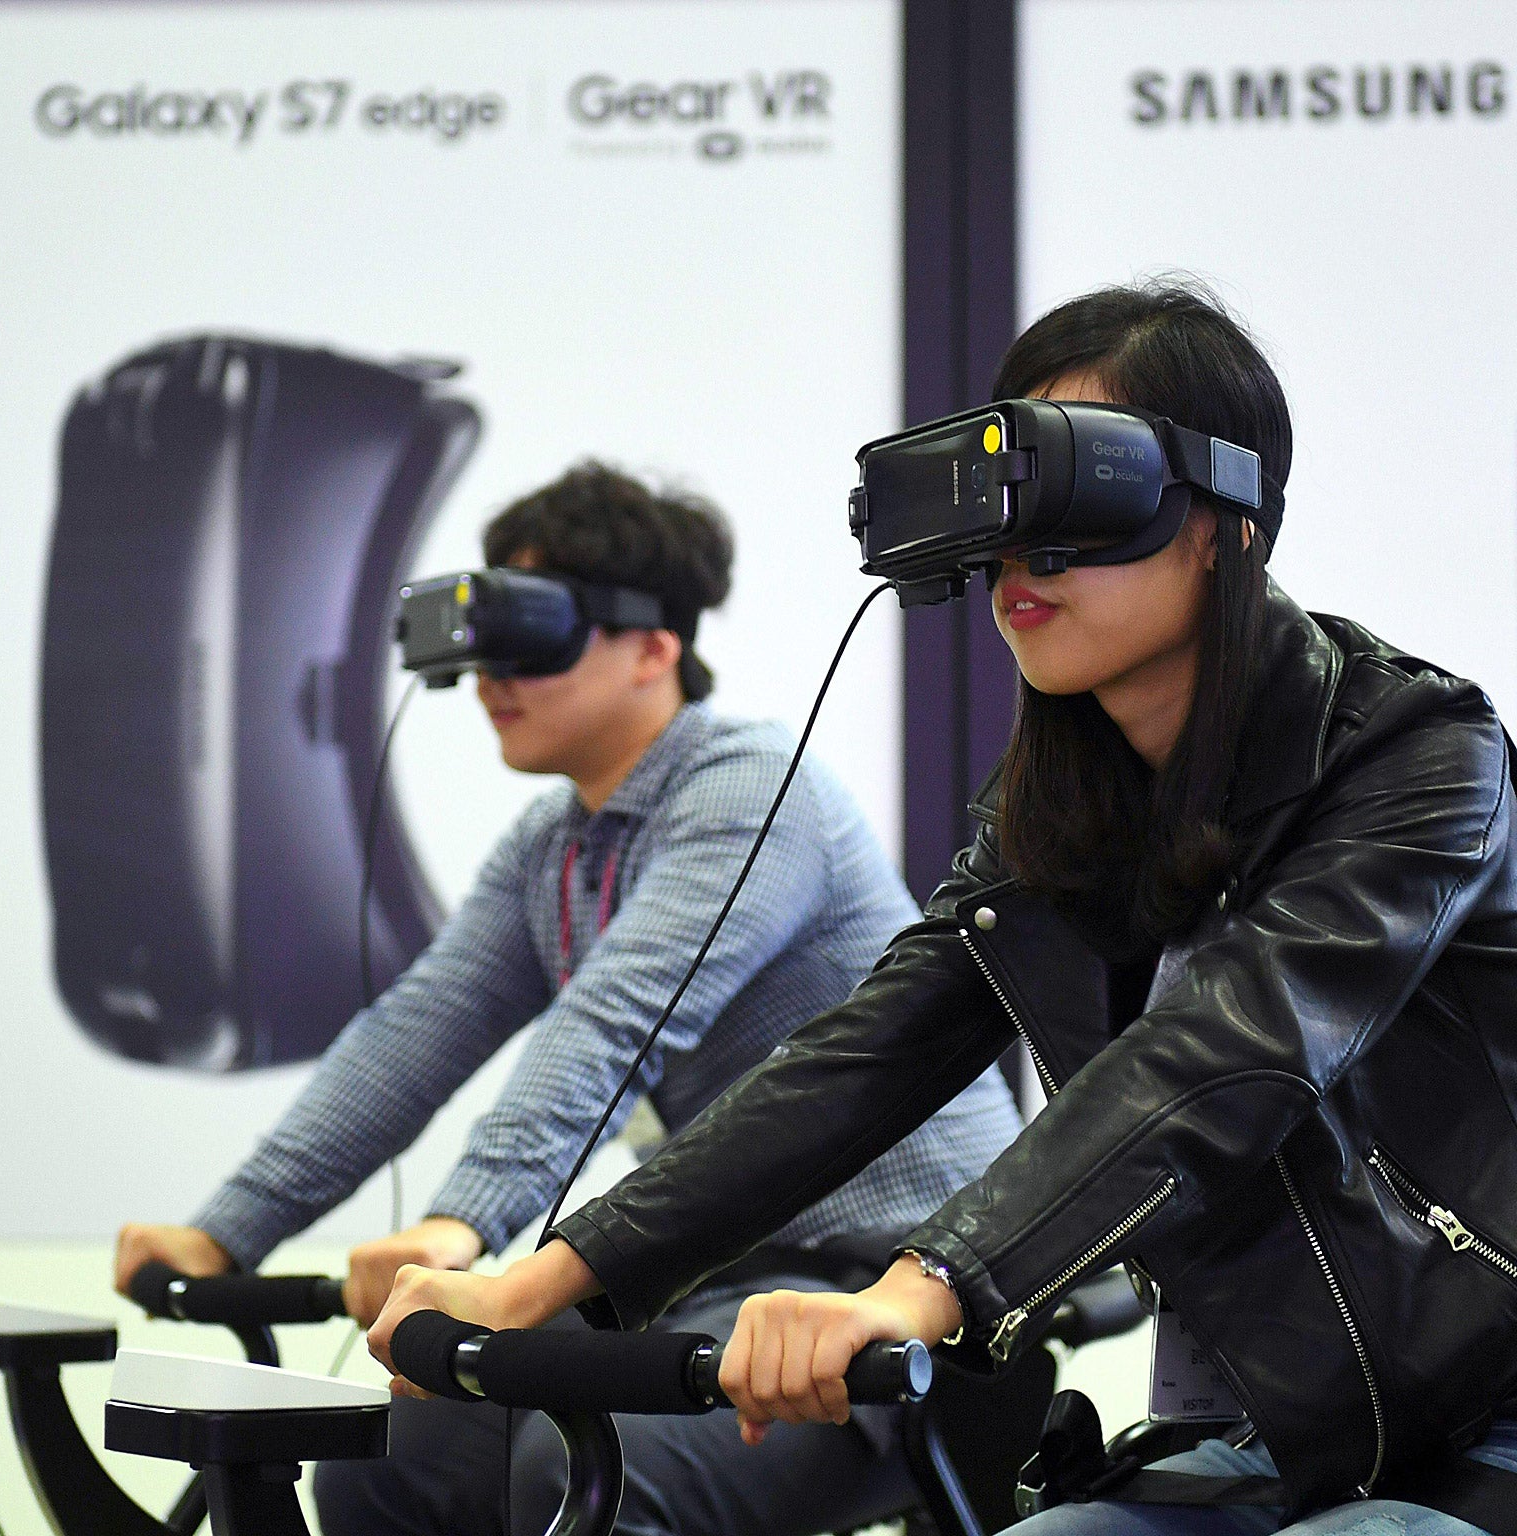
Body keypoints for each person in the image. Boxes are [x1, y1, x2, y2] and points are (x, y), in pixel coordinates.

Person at [371, 284, 1517, 1536]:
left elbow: (1232, 1054)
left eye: (1083, 492)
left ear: (1224, 525)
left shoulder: (1414, 751)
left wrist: (920, 1288)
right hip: (1255, 1443)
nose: (1023, 557)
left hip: (1476, 1426)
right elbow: (862, 1057)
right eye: (1008, 505)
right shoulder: (1052, 812)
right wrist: (545, 1284)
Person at [114, 462, 1024, 1536]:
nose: (497, 673)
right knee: (385, 1465)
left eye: (534, 630)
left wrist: (457, 1230)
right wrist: (225, 1233)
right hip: (702, 1294)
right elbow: (407, 1037)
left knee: (581, 1488)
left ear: (654, 646)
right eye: (486, 633)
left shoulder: (750, 789)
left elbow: (612, 1026)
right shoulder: (552, 846)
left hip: (885, 1305)